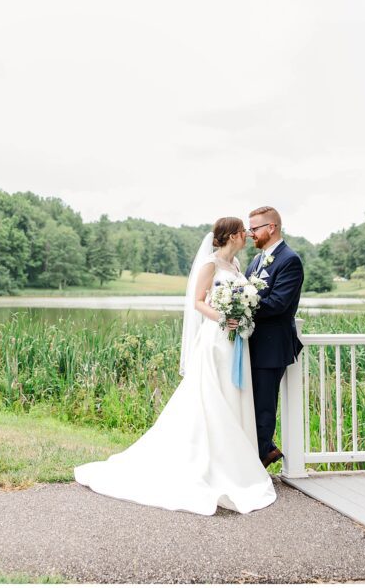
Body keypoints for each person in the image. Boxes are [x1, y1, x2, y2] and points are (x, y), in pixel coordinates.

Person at [74, 217, 276, 515]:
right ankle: (208, 462)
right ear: (232, 236)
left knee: (233, 396)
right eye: (242, 232)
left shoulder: (236, 267)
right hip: (216, 340)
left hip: (236, 342)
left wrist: (242, 316)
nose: (246, 235)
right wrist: (223, 318)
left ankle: (234, 462)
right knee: (211, 396)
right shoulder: (211, 264)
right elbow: (198, 301)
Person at [244, 206, 304, 468]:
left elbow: (279, 303)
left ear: (272, 228)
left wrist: (241, 308)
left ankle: (260, 460)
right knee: (250, 403)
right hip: (251, 344)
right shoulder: (256, 261)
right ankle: (262, 451)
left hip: (271, 346)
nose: (250, 234)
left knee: (264, 406)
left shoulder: (290, 260)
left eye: (254, 229)